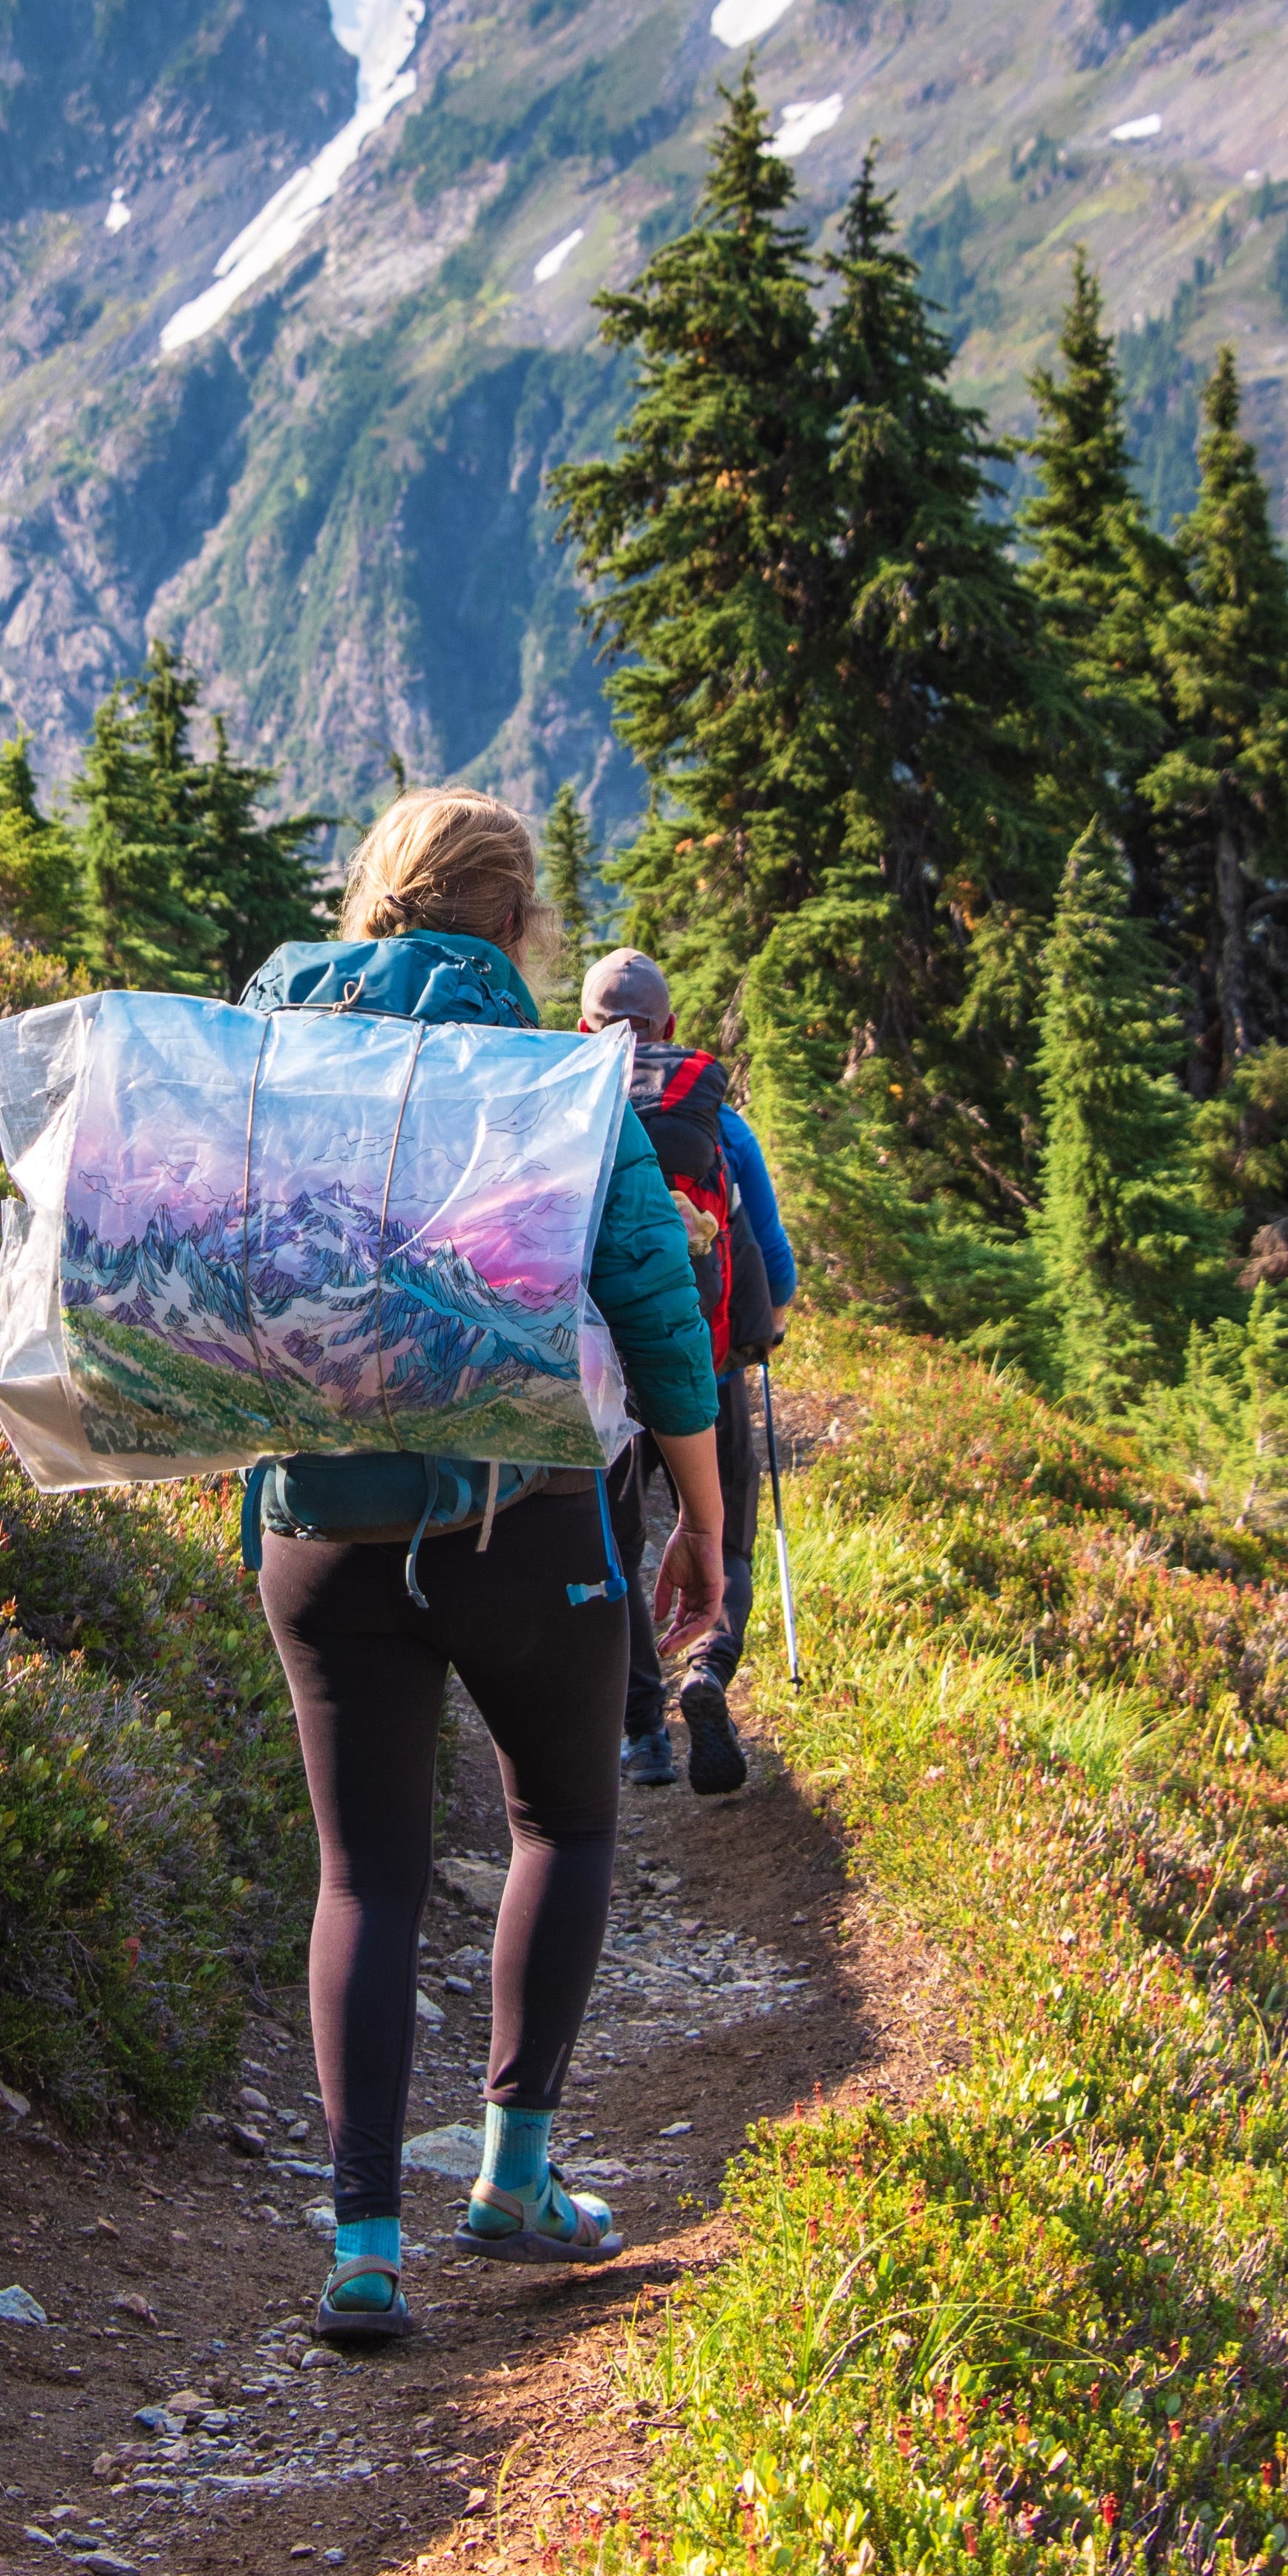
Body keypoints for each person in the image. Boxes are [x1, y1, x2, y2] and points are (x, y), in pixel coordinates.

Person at [240, 796, 726, 2350]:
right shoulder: (551, 1081)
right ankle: (514, 2177)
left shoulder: (268, 1050)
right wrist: (703, 1528)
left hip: (320, 1530)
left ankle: (364, 2247)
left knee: (365, 1877)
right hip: (520, 1524)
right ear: (515, 931)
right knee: (564, 1819)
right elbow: (656, 1307)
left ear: (372, 905)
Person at [578, 948, 797, 1799]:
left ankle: (642, 1735)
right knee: (725, 1536)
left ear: (584, 1029)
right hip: (704, 1363)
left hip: (598, 1375)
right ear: (669, 1029)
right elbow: (772, 1258)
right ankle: (708, 1667)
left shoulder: (569, 1105)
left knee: (615, 1548)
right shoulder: (716, 1120)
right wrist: (763, 1329)